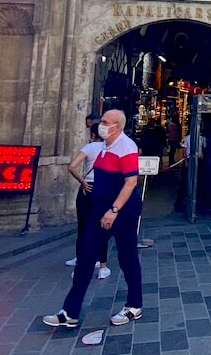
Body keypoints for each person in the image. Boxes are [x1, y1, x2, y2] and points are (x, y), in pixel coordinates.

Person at [44, 109, 144, 330]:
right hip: (99, 210)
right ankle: (70, 311)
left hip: (121, 212)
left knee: (127, 257)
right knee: (86, 257)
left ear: (117, 125)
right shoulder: (104, 147)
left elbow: (131, 182)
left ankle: (134, 305)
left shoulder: (126, 147)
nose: (102, 125)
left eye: (106, 122)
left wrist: (114, 210)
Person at [64, 113, 110, 279]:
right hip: (103, 190)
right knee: (102, 227)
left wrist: (83, 182)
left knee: (83, 228)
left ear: (92, 135)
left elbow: (71, 167)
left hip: (87, 188)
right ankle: (103, 266)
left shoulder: (89, 148)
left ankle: (80, 266)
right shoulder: (110, 150)